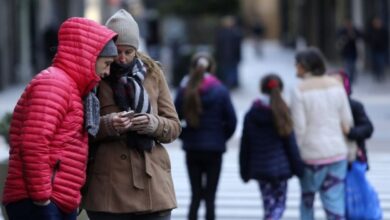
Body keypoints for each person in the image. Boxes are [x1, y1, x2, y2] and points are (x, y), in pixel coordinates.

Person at [2, 17, 118, 220]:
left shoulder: (73, 88)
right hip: (40, 203)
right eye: (106, 63)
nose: (107, 72)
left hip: (58, 201)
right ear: (89, 57)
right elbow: (33, 143)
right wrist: (42, 199)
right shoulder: (54, 84)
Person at [81, 9, 181, 220]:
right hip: (109, 189)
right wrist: (109, 124)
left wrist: (153, 124)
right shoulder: (96, 75)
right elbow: (77, 129)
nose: (122, 58)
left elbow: (174, 126)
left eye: (129, 51)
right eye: (117, 51)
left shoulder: (153, 74)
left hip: (153, 186)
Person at [290, 47, 354, 220]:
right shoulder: (336, 86)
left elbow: (299, 128)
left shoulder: (299, 90)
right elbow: (347, 120)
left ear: (304, 66)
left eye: (296, 65)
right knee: (334, 202)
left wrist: (297, 153)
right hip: (337, 153)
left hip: (312, 155)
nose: (295, 68)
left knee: (307, 201)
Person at [174, 52, 237, 220]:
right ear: (212, 67)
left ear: (192, 67)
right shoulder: (221, 90)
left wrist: (185, 135)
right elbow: (232, 120)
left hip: (192, 148)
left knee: (195, 195)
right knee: (210, 197)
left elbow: (174, 118)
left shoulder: (185, 89)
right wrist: (221, 137)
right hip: (214, 149)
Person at [239, 74, 303, 220]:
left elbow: (245, 144)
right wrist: (298, 167)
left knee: (268, 204)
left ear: (261, 89)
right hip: (281, 168)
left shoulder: (252, 113)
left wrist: (244, 170)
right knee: (280, 205)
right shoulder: (283, 112)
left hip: (261, 168)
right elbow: (290, 143)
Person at [328, 69, 374, 169]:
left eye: (337, 83)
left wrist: (350, 131)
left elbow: (368, 128)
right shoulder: (323, 106)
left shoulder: (355, 106)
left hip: (353, 158)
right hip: (329, 157)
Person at [215, 15, 243, 89]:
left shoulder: (222, 33)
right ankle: (232, 84)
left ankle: (231, 83)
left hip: (227, 56)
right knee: (230, 70)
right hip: (229, 56)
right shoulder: (235, 32)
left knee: (230, 70)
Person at [336, 19, 362, 84]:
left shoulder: (354, 30)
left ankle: (352, 78)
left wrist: (353, 36)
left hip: (353, 52)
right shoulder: (342, 31)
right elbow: (338, 38)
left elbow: (360, 36)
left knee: (352, 66)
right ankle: (348, 78)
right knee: (347, 66)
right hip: (346, 52)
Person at [366, 17, 389, 81]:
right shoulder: (371, 30)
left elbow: (386, 39)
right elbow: (367, 38)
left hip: (381, 49)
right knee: (375, 63)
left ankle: (381, 74)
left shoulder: (384, 30)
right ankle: (377, 74)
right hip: (373, 49)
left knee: (381, 62)